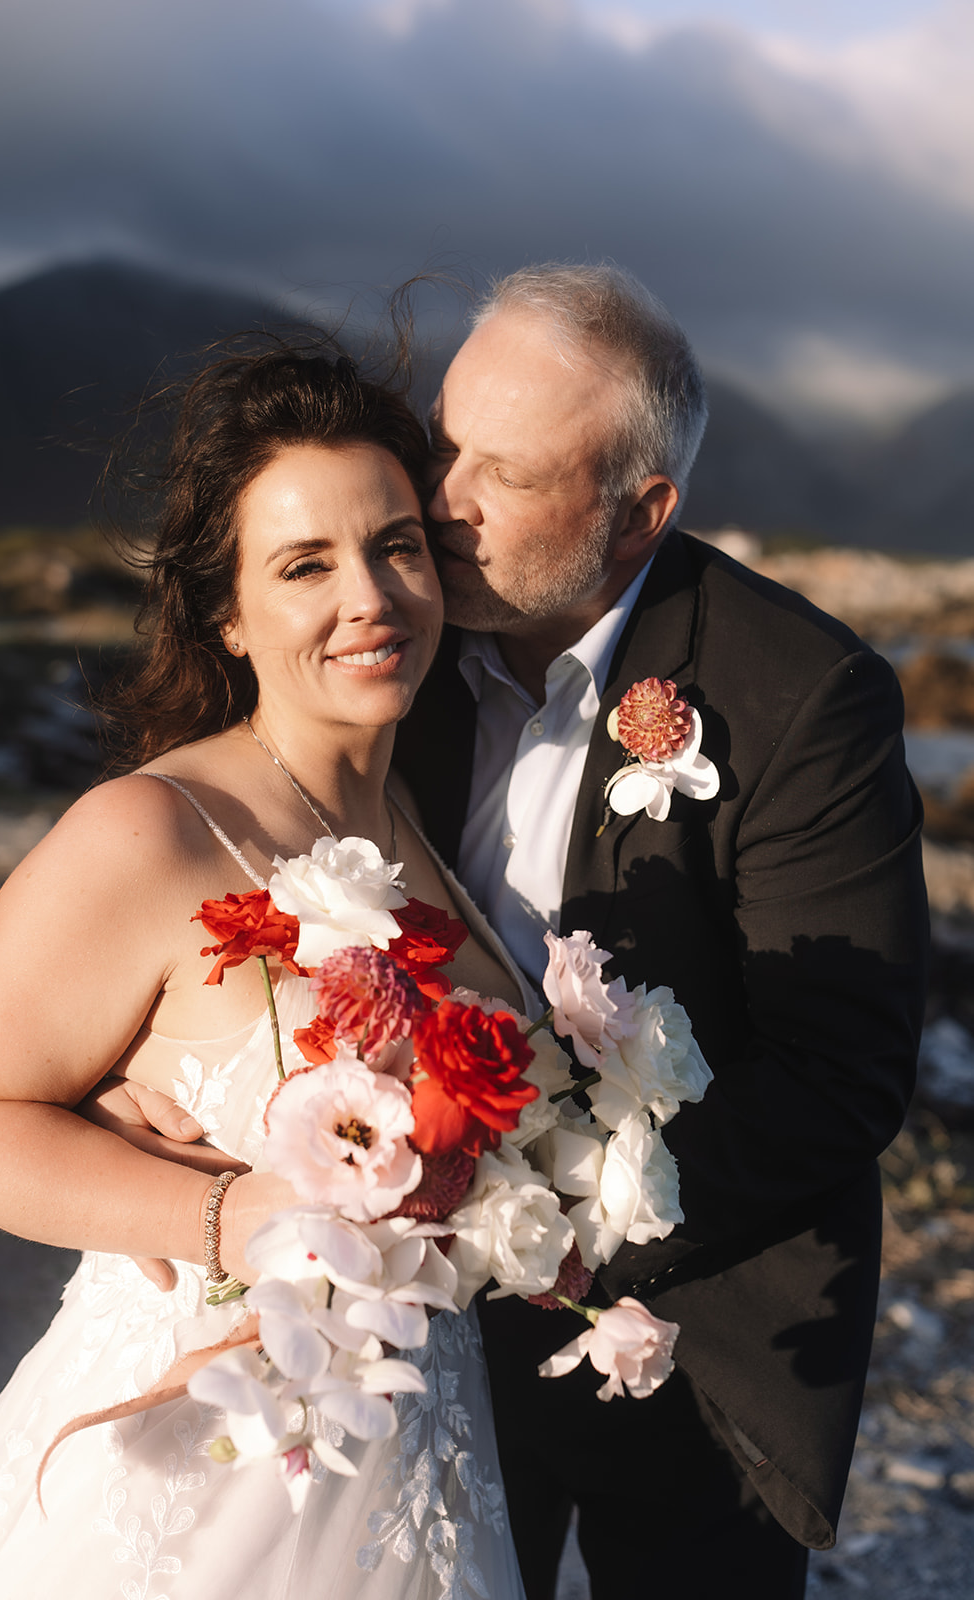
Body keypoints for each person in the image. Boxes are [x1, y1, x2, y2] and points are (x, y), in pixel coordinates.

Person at [0, 344, 530, 1600]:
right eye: (305, 565)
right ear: (228, 614)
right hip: (195, 1481)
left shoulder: (432, 823)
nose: (369, 597)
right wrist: (219, 1214)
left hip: (412, 1474)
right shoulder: (152, 830)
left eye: (397, 546)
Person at [393, 264, 929, 1599]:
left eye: (502, 474)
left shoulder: (799, 696)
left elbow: (835, 1070)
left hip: (685, 1316)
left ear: (638, 513)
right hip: (411, 1304)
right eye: (441, 442)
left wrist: (547, 1228)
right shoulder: (387, 642)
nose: (441, 501)